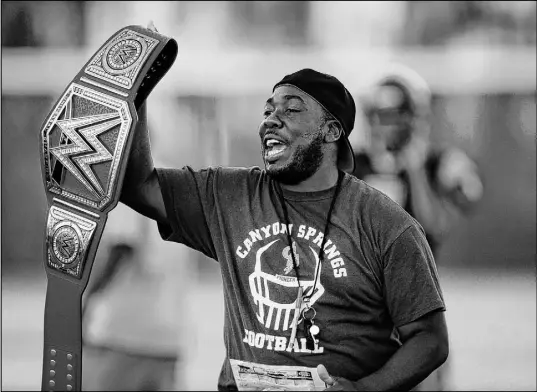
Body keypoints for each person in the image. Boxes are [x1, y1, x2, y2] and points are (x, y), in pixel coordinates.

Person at [120, 27, 449, 389]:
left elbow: (430, 340)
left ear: (331, 131)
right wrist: (136, 95)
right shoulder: (228, 194)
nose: (271, 119)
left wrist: (364, 388)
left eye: (292, 110)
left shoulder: (386, 223)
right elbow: (139, 185)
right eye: (268, 110)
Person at [352, 64, 484, 390]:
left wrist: (414, 170)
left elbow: (436, 225)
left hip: (415, 310)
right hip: (359, 309)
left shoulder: (435, 163)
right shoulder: (353, 163)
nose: (384, 125)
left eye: (393, 114)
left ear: (413, 117)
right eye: (379, 114)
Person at [81, 210, 184, 391]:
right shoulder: (182, 200)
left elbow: (122, 247)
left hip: (123, 337)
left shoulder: (130, 198)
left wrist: (85, 300)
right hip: (169, 337)